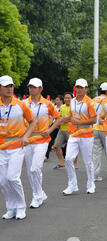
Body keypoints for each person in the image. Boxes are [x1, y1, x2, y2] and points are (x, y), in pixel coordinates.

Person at [0, 75, 37, 220]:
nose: (9, 88)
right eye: (6, 86)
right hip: (2, 147)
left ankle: (21, 206)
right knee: (3, 180)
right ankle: (11, 207)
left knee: (12, 178)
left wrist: (26, 136)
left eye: (11, 86)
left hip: (17, 145)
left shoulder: (21, 105)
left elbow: (32, 122)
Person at [24, 78, 61, 209]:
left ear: (41, 89)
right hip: (28, 141)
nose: (31, 89)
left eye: (34, 87)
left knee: (35, 168)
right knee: (30, 171)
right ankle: (40, 194)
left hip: (42, 139)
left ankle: (36, 196)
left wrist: (50, 130)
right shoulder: (24, 103)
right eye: (30, 87)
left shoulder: (47, 104)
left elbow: (58, 119)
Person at [62, 78, 97, 195]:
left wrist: (79, 123)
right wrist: (62, 120)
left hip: (87, 134)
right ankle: (72, 185)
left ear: (86, 89)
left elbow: (94, 119)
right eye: (77, 87)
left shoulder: (89, 102)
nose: (79, 89)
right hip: (74, 134)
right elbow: (72, 116)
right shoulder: (72, 101)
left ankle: (91, 184)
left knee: (87, 161)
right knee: (68, 159)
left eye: (81, 87)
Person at [53, 92, 78, 170]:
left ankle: (75, 164)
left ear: (72, 98)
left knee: (74, 148)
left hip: (71, 131)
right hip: (62, 130)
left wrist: (65, 119)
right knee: (56, 145)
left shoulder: (74, 107)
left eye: (68, 98)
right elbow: (59, 117)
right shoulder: (62, 107)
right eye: (65, 98)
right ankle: (61, 163)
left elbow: (75, 118)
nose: (67, 99)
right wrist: (59, 121)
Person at [92, 82, 107, 182]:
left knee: (96, 153)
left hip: (94, 128)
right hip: (105, 129)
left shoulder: (94, 100)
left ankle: (95, 175)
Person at [45, 95, 63, 161]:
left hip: (62, 126)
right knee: (50, 140)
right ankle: (46, 155)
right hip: (54, 125)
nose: (56, 101)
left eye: (57, 100)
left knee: (62, 143)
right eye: (56, 100)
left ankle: (65, 155)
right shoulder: (54, 107)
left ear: (61, 101)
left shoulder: (63, 107)